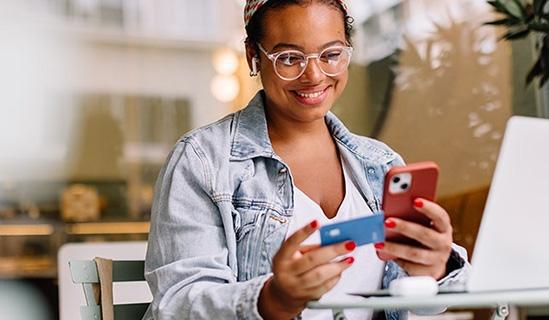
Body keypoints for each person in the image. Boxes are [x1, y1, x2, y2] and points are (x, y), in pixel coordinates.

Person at [143, 1, 470, 319]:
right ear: (253, 56)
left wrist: (437, 269)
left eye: (331, 55)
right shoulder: (203, 161)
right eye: (289, 58)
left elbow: (428, 304)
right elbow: (177, 304)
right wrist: (273, 301)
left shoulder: (381, 164)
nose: (314, 75)